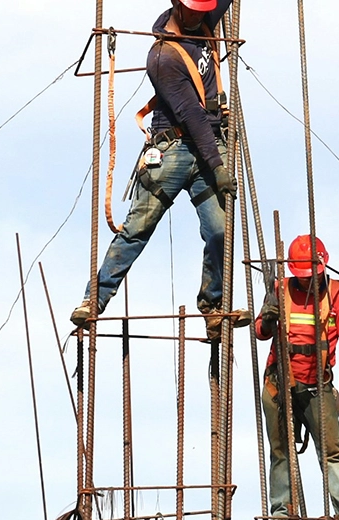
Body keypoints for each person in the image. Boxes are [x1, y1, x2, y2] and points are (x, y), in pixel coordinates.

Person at [71, 0, 249, 340]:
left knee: (219, 232)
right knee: (137, 228)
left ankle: (212, 306)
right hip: (175, 149)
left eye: (203, 10)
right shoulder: (163, 57)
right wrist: (218, 166)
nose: (199, 16)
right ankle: (93, 301)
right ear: (177, 7)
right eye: (193, 10)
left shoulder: (204, 21)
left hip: (210, 144)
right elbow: (191, 115)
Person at [255, 234, 339, 520]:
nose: (309, 282)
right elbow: (261, 333)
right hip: (280, 386)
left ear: (323, 268)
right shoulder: (279, 290)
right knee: (281, 453)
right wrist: (267, 317)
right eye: (303, 278)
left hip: (318, 389)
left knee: (331, 453)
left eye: (313, 276)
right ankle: (280, 514)